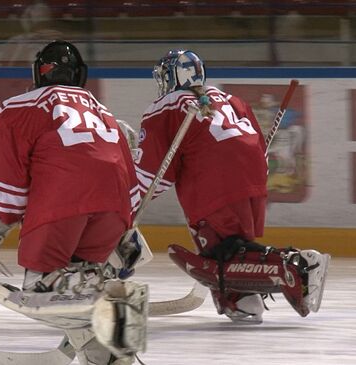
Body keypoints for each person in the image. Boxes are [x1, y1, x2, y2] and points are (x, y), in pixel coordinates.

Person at [0, 40, 146, 365]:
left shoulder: (19, 106)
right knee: (83, 277)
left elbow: (5, 182)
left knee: (44, 288)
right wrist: (127, 236)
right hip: (114, 212)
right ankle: (107, 352)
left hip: (62, 209)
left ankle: (87, 325)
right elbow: (127, 177)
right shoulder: (106, 113)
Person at [134, 49, 330, 324]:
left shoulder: (165, 107)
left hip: (214, 182)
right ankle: (242, 302)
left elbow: (155, 174)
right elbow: (255, 145)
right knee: (233, 249)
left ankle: (299, 266)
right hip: (252, 180)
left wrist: (126, 205)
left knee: (219, 256)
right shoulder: (230, 99)